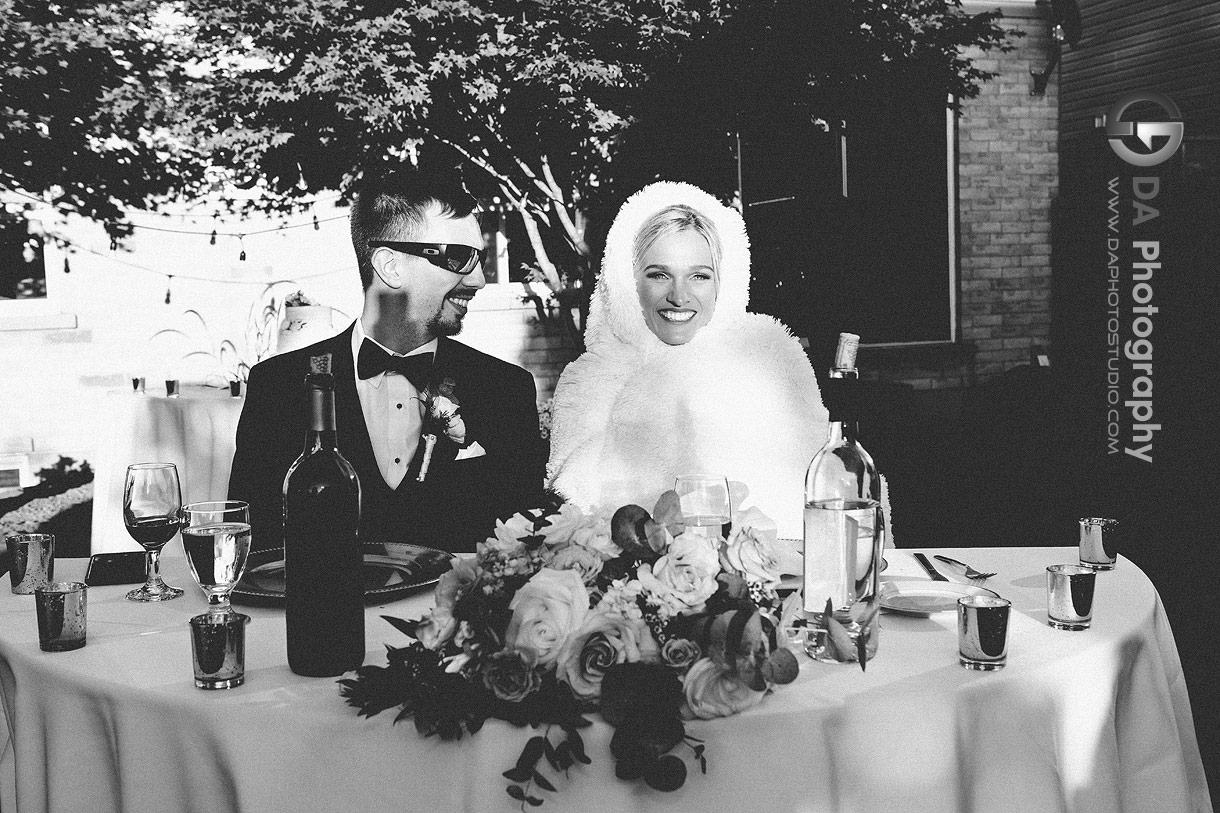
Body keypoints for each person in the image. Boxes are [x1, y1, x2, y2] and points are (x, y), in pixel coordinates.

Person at [547, 181, 892, 541]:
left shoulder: (770, 356)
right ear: (627, 283)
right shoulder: (590, 379)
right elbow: (572, 525)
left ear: (722, 284)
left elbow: (839, 498)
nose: (679, 296)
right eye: (659, 274)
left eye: (698, 276)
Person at [229, 168, 546, 553]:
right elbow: (254, 550)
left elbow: (525, 548)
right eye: (460, 257)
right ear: (389, 265)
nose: (478, 279)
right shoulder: (279, 388)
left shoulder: (504, 390)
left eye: (478, 259)